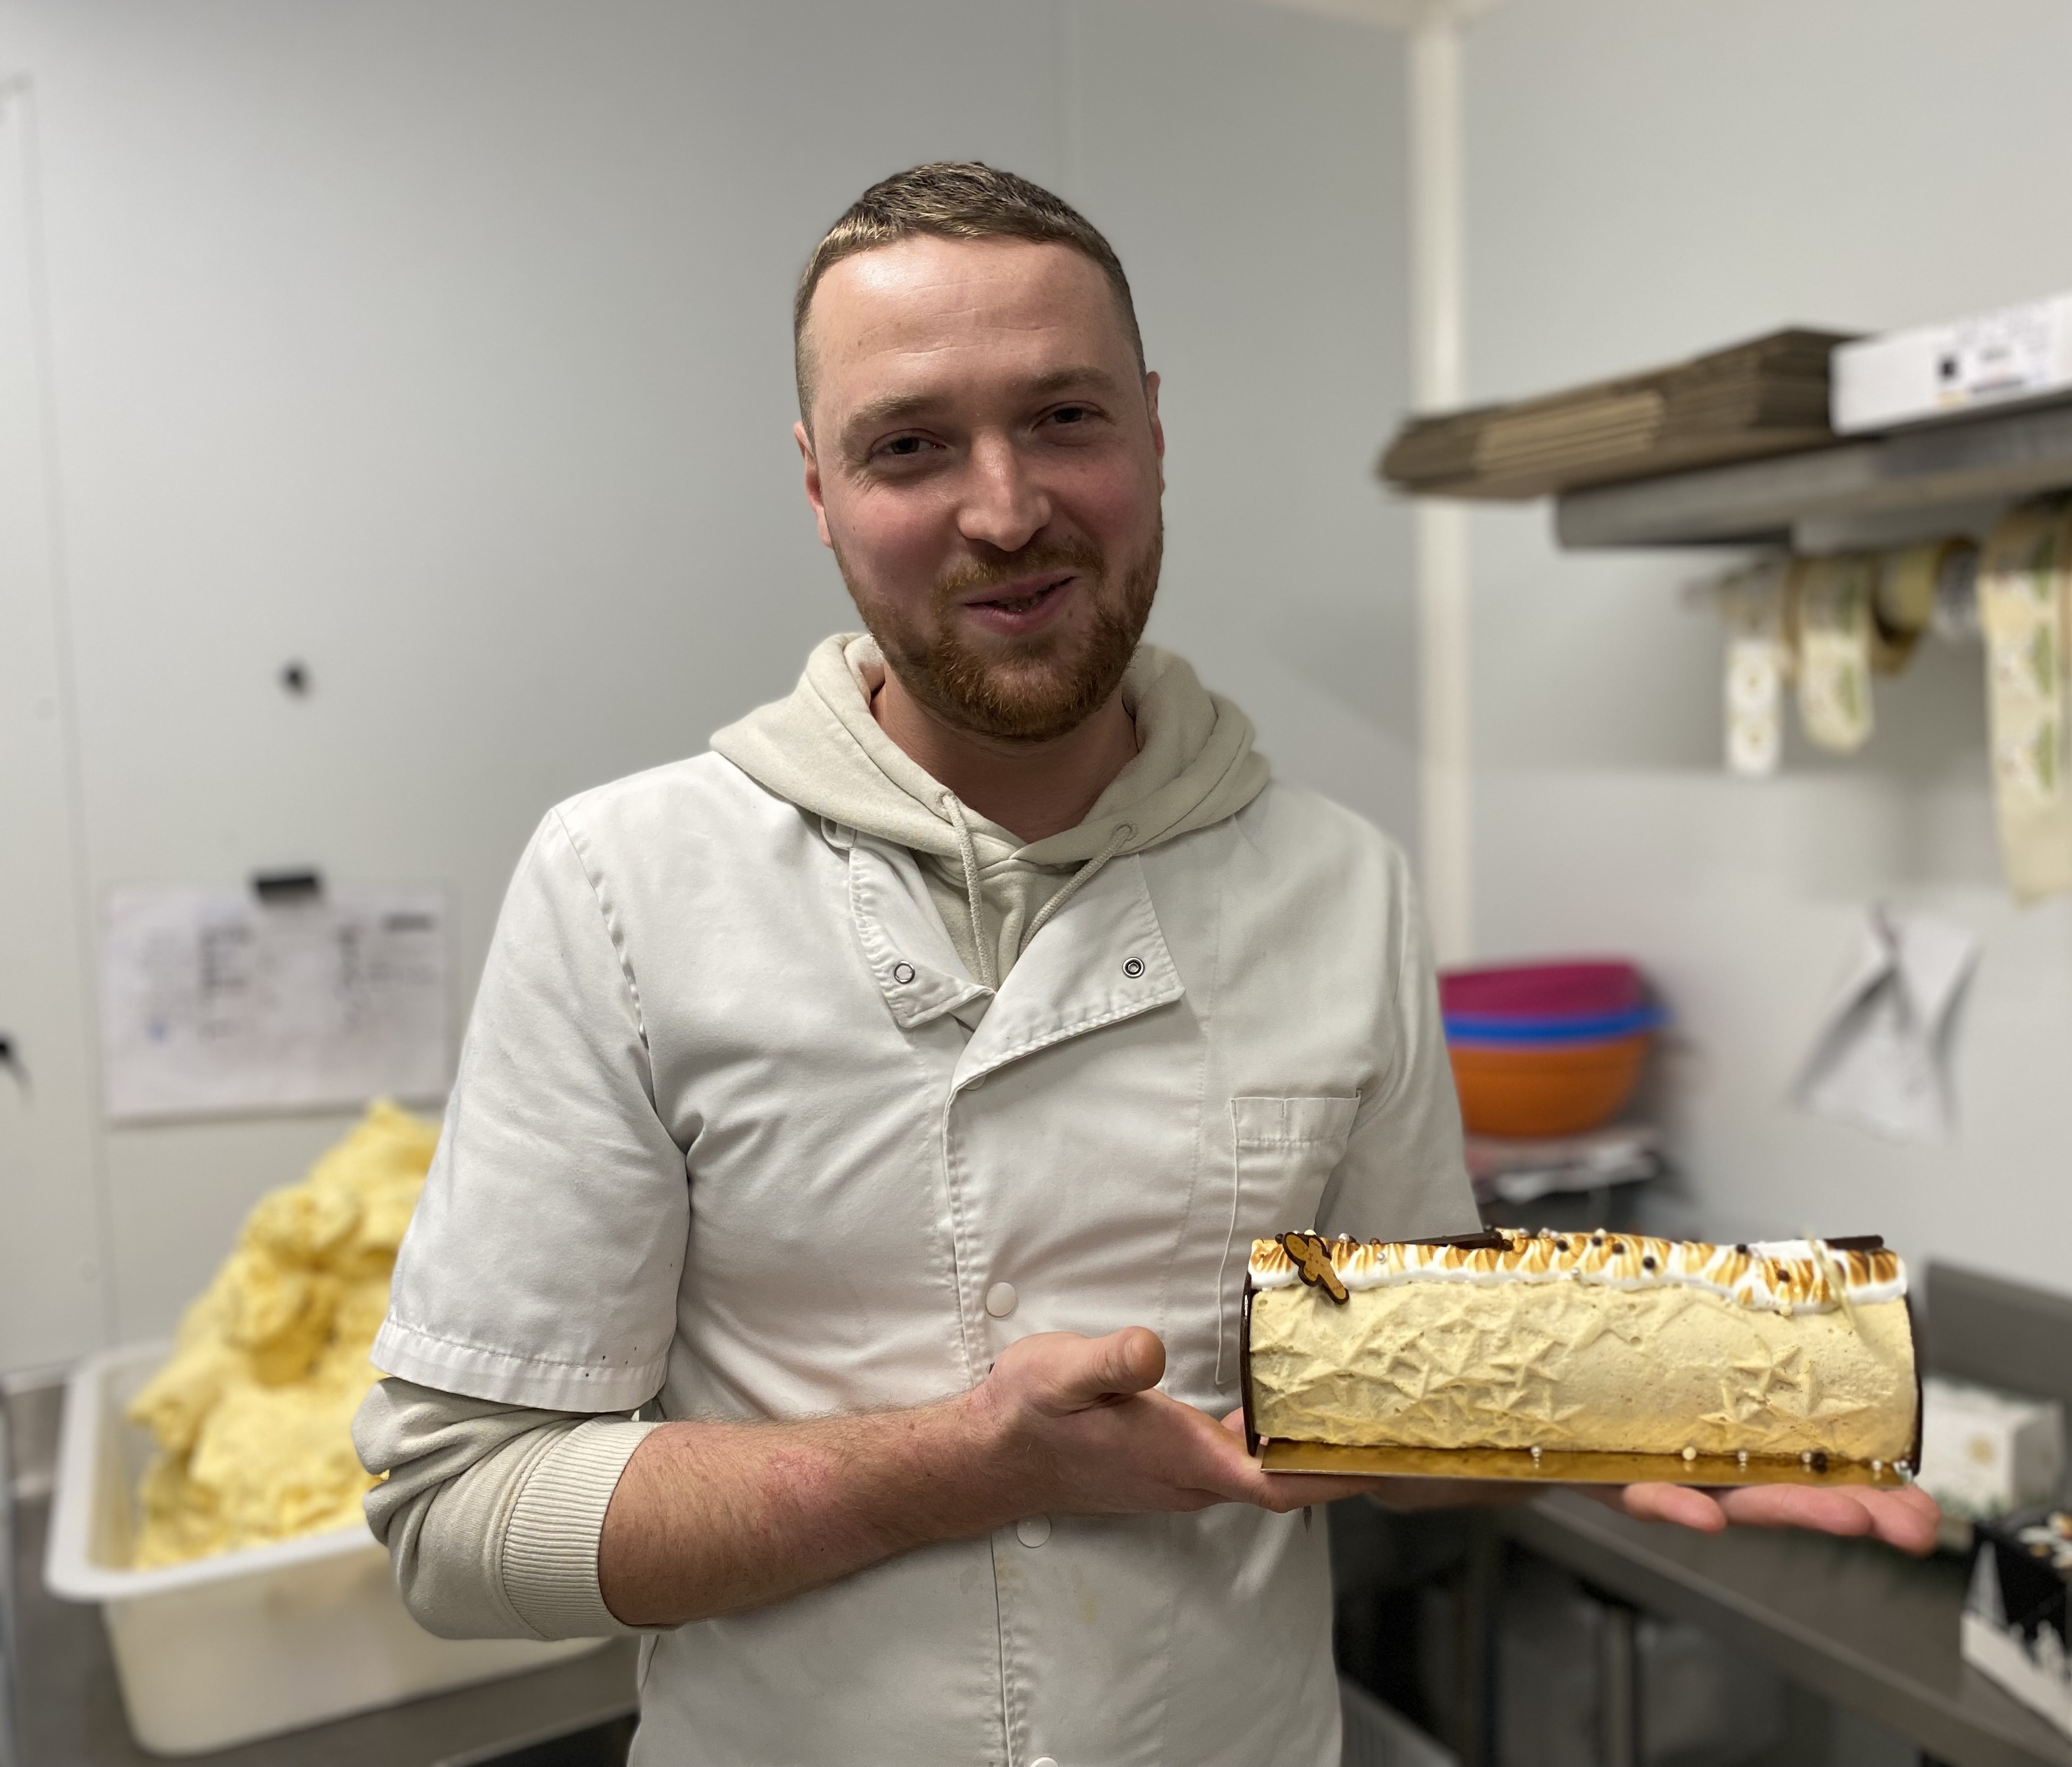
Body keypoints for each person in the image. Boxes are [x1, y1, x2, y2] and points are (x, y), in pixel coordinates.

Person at [354, 161, 1935, 1767]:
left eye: (1064, 418)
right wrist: (975, 1462)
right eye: (911, 444)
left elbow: (1401, 1390)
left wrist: (1620, 1410)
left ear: (1154, 433)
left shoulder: (1336, 882)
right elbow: (459, 1511)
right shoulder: (625, 883)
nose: (1006, 508)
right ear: (817, 488)